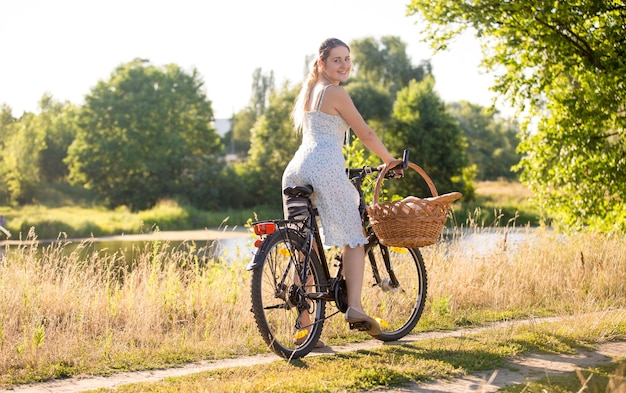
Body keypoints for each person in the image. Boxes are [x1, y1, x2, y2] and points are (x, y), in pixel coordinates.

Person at [282, 38, 401, 345]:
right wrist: (390, 162)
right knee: (355, 236)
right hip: (324, 166)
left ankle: (305, 330)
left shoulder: (310, 91)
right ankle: (356, 309)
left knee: (303, 248)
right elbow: (366, 133)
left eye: (347, 59)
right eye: (337, 60)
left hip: (296, 169)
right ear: (321, 63)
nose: (345, 64)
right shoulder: (334, 91)